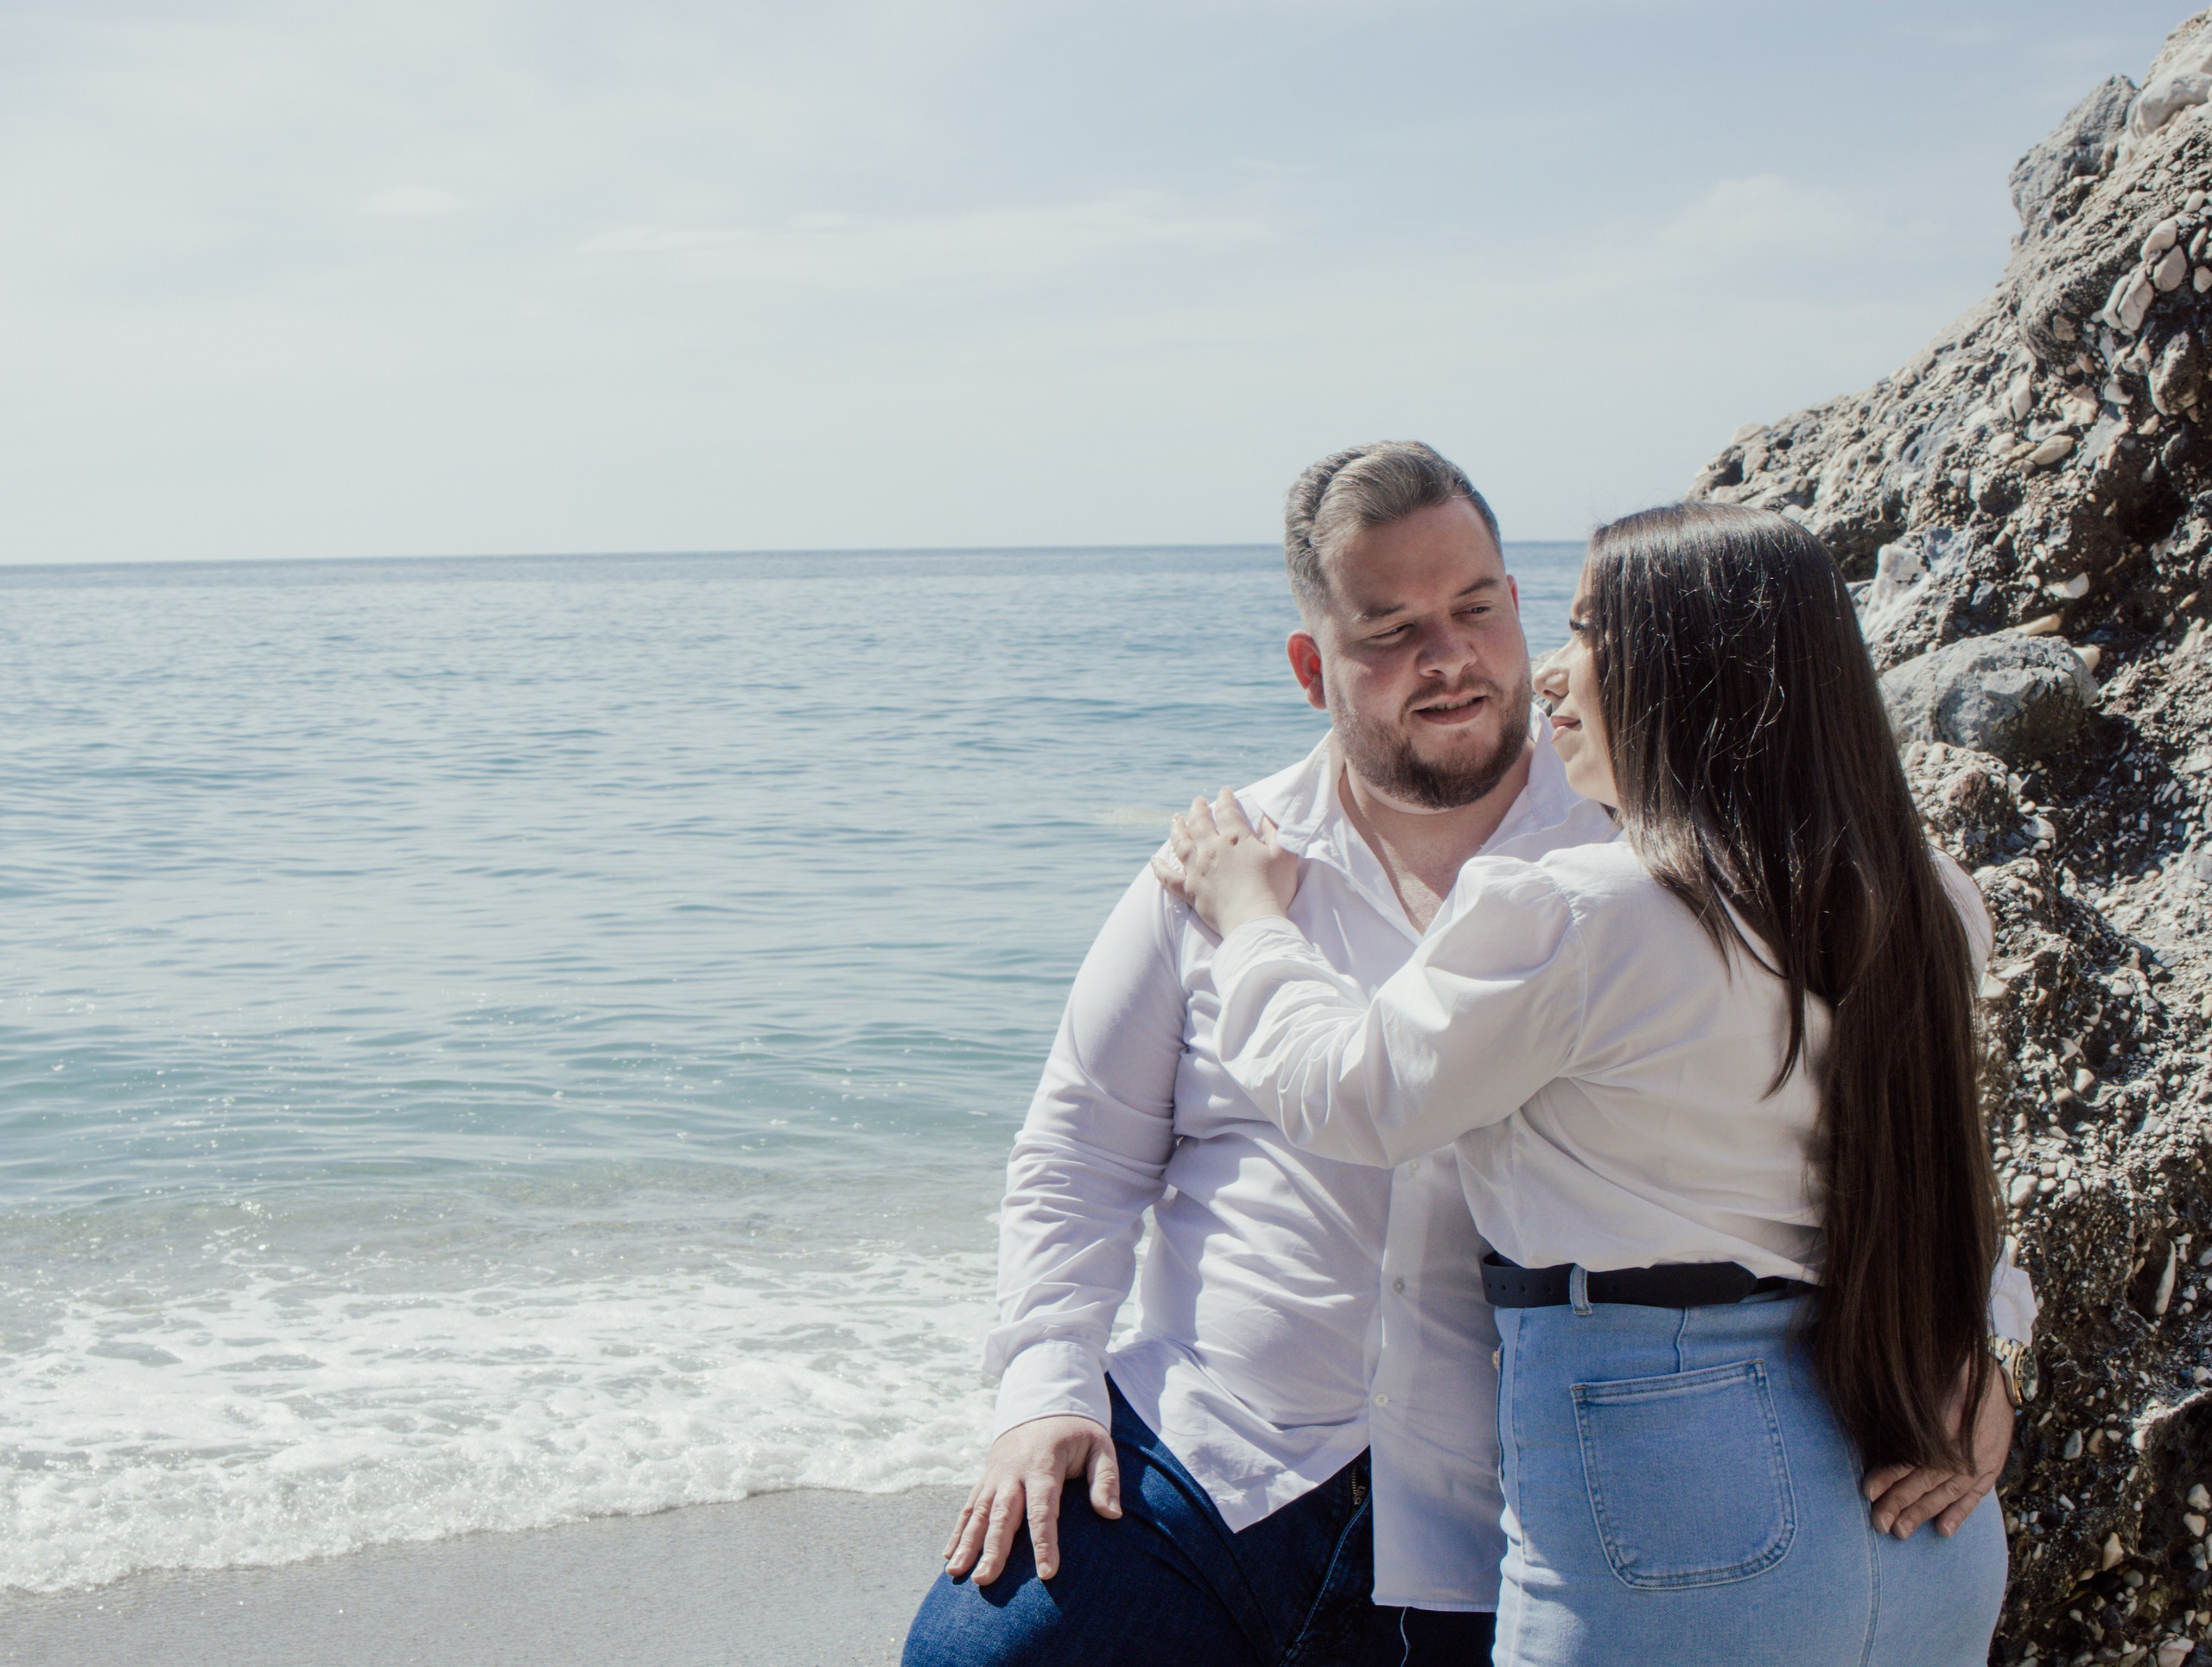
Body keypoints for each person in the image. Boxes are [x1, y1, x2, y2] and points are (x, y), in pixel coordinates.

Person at [902, 455, 2030, 1667]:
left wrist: (1989, 1344)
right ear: (1312, 667)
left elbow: (1906, 1143)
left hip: (1528, 1509)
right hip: (1222, 1461)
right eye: (1392, 631)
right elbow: (1077, 1148)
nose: (1456, 656)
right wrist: (1045, 1387)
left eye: (1482, 607)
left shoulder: (1629, 864)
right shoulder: (1216, 861)